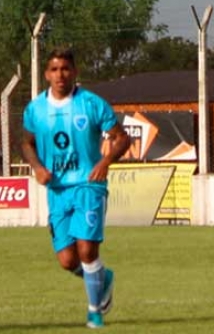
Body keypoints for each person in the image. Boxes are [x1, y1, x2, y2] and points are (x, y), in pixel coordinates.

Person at [21, 48, 130, 329]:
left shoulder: (92, 104)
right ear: (46, 74)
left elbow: (121, 138)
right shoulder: (35, 109)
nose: (60, 74)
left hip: (88, 185)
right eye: (54, 69)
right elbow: (26, 143)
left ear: (75, 72)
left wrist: (106, 160)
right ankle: (102, 279)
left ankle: (95, 312)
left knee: (86, 250)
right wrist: (37, 167)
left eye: (65, 69)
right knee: (68, 261)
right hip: (57, 190)